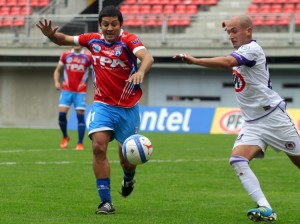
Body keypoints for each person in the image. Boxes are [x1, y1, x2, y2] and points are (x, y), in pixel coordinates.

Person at [174, 15, 300, 222]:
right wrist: (229, 24)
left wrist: (195, 60)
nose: (231, 36)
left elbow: (227, 62)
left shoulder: (252, 50)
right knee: (238, 160)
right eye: (228, 32)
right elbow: (233, 52)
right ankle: (266, 208)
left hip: (273, 118)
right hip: (253, 122)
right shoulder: (243, 49)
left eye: (235, 31)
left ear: (248, 31)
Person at [36, 5, 154, 215]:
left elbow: (147, 57)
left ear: (121, 25)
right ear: (100, 25)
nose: (110, 28)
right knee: (99, 147)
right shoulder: (92, 39)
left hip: (128, 108)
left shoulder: (129, 40)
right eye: (106, 24)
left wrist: (141, 72)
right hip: (102, 105)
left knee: (126, 160)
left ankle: (128, 179)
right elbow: (63, 39)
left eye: (114, 24)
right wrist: (50, 36)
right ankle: (106, 202)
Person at [54, 45, 92, 150]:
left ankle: (80, 143)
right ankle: (65, 136)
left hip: (80, 91)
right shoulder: (66, 55)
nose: (76, 44)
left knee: (80, 115)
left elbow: (97, 71)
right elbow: (57, 70)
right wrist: (57, 82)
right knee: (61, 115)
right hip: (66, 90)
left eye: (78, 42)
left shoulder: (88, 57)